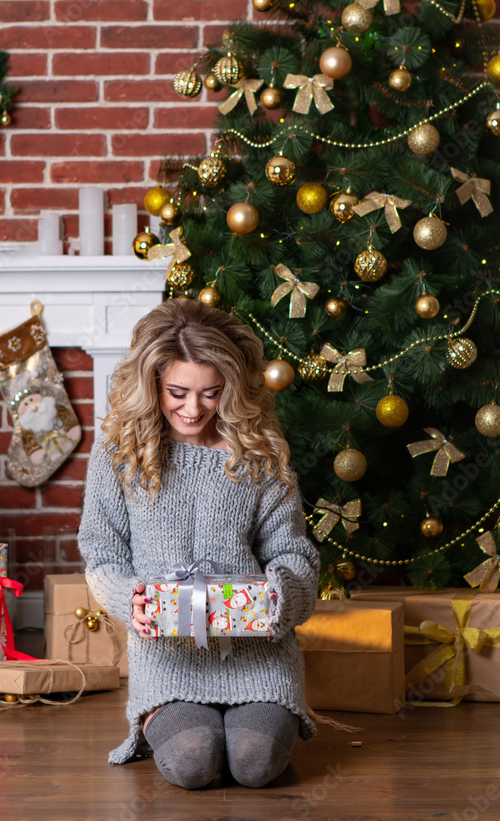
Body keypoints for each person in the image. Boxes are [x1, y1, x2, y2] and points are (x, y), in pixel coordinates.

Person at [78, 298, 320, 789]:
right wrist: (132, 601)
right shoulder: (118, 454)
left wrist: (282, 593)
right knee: (192, 761)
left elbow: (295, 553)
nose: (193, 409)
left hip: (258, 656)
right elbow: (101, 551)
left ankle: (257, 721)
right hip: (168, 658)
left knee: (254, 763)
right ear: (152, 384)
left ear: (231, 387)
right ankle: (172, 722)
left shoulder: (259, 454)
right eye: (177, 392)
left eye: (211, 393)